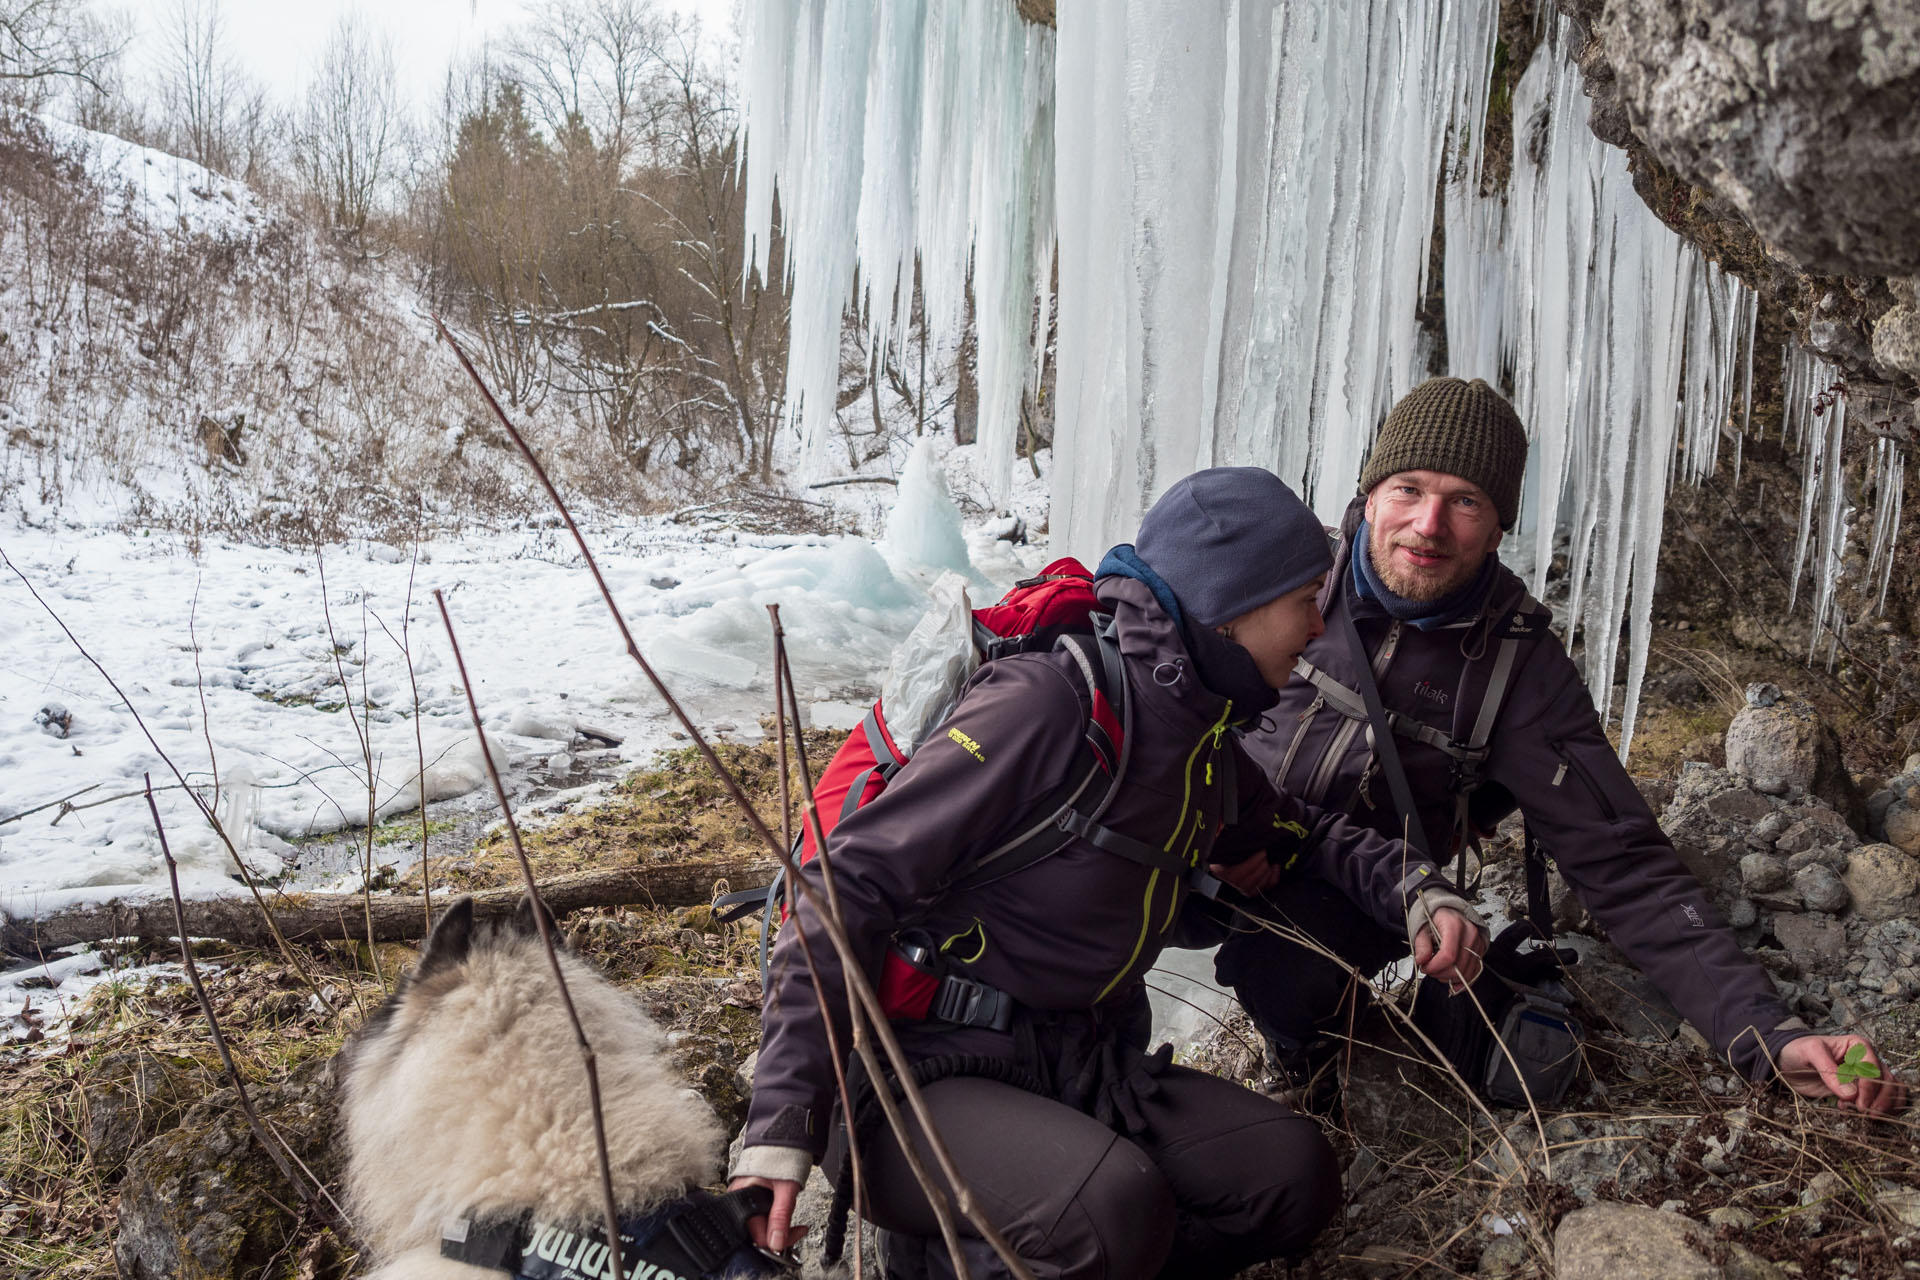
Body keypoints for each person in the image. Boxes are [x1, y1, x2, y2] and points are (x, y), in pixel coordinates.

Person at [729, 467, 1489, 1280]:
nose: (1316, 625)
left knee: (1288, 1177)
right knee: (1113, 1211)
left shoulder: (1199, 742)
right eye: (1306, 598)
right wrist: (781, 1125)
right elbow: (843, 885)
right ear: (1236, 606)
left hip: (1073, 1063)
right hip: (910, 1076)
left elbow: (1309, 834)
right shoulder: (1048, 704)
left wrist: (1418, 892)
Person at [1208, 376, 1904, 1116]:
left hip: (1362, 889)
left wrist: (1766, 1034)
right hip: (1199, 827)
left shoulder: (1520, 672)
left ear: (1500, 525)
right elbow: (1162, 695)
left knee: (1284, 972)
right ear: (1370, 492)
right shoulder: (1284, 574)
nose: (1429, 524)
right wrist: (1214, 820)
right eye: (1408, 488)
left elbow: (1626, 868)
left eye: (1466, 501)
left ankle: (1308, 1059)